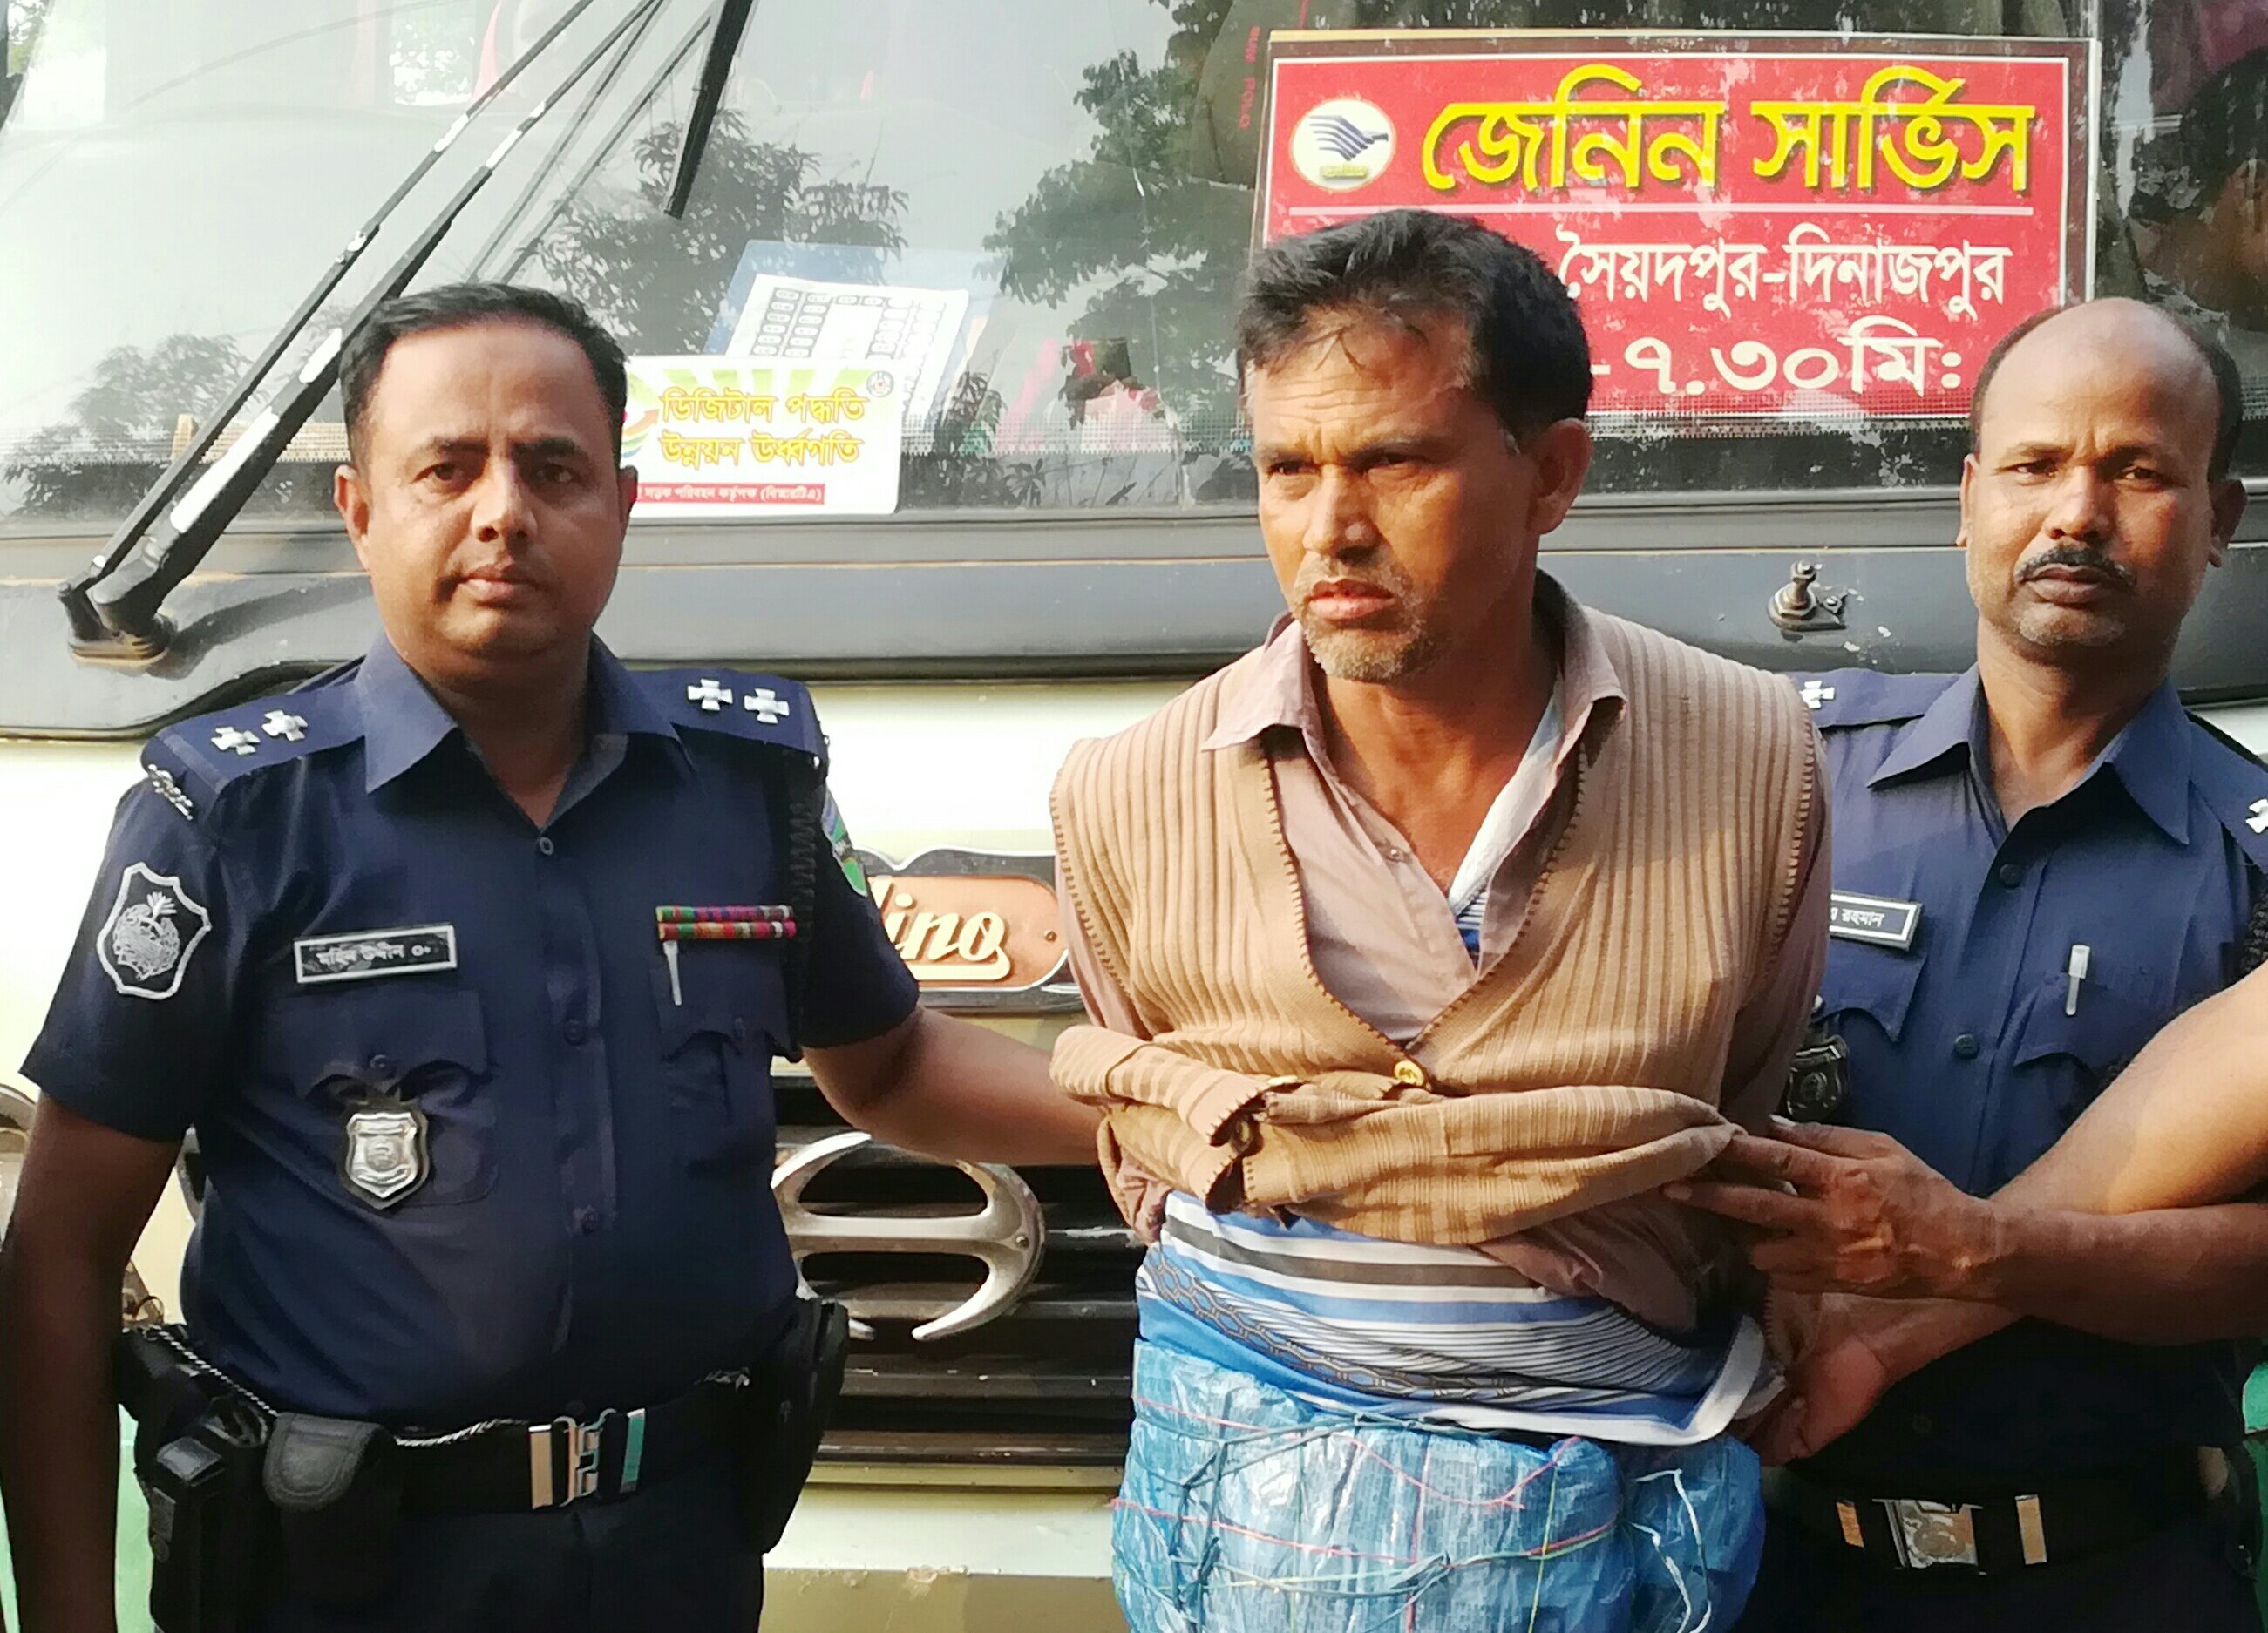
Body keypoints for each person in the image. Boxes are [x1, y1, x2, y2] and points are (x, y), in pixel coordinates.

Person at [0, 282, 1097, 1633]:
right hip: (347, 1571)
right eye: (447, 468)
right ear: (359, 508)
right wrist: (66, 1612)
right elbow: (62, 1250)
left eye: (553, 468)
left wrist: (1181, 1119)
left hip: (676, 1547)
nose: (503, 511)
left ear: (622, 506)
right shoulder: (234, 819)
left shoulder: (745, 789)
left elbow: (893, 1066)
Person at [1047, 208, 1829, 1632]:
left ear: (1553, 473)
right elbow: (1151, 1154)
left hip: (1629, 1530)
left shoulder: (1747, 754)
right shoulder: (1124, 791)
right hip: (1238, 1532)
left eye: (1394, 461)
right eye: (1287, 469)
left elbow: (1731, 1108)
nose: (1328, 529)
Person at [1674, 298, 2268, 1630]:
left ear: (2217, 518)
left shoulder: (2253, 865)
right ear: (1966, 501)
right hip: (1779, 1571)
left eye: (2136, 471)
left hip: (2121, 1580)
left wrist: (1981, 1255)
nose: (2075, 513)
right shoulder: (1777, 783)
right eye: (2033, 464)